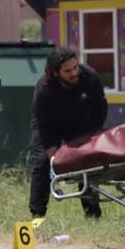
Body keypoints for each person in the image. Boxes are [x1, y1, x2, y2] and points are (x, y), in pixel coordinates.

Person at [29, 46, 108, 222]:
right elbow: (45, 129)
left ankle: (93, 214)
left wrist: (93, 138)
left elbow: (100, 109)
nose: (74, 73)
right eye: (67, 71)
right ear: (55, 73)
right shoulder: (44, 91)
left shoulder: (90, 77)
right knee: (42, 162)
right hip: (50, 124)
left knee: (87, 160)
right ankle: (37, 215)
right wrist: (54, 162)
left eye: (75, 67)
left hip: (81, 122)